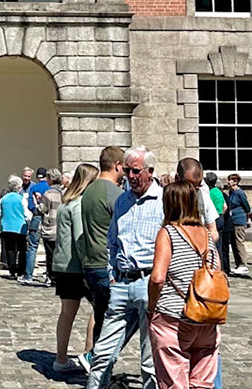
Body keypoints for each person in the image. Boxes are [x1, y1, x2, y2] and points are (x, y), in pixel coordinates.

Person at [86, 147, 162, 389]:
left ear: (150, 172)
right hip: (121, 283)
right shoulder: (122, 201)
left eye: (136, 171)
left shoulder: (163, 202)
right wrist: (112, 274)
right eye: (127, 170)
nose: (130, 176)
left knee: (149, 361)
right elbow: (112, 241)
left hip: (148, 283)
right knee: (102, 354)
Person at [146, 181, 222, 389]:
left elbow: (158, 278)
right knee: (202, 382)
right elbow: (217, 272)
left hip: (174, 315)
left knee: (174, 381)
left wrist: (151, 308)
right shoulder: (207, 235)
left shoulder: (168, 233)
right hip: (207, 316)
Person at [50, 164, 96, 375]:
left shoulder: (65, 202)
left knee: (67, 313)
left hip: (63, 264)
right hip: (77, 266)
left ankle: (61, 358)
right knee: (99, 307)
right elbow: (80, 237)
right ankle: (89, 353)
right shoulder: (78, 205)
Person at [80, 148, 122, 350]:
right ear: (118, 166)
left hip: (89, 262)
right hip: (105, 262)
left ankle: (95, 363)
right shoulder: (114, 192)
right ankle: (98, 366)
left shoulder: (88, 190)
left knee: (100, 315)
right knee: (112, 323)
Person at [220, 175, 252, 275]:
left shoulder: (240, 193)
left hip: (239, 219)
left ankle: (243, 264)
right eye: (229, 180)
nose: (228, 182)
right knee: (233, 243)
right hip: (232, 220)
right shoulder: (231, 192)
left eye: (231, 180)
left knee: (239, 242)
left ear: (236, 181)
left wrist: (247, 218)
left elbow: (246, 206)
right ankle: (238, 264)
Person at [0, 175, 28, 281]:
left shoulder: (3, 199)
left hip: (6, 227)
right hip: (19, 227)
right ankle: (20, 271)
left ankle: (12, 270)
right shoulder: (21, 199)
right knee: (22, 249)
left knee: (10, 249)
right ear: (19, 188)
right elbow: (26, 213)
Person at [24, 170, 49, 285]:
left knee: (32, 247)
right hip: (50, 219)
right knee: (49, 249)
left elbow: (30, 206)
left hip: (37, 217)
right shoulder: (51, 188)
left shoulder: (34, 188)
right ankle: (49, 277)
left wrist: (36, 210)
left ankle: (28, 275)